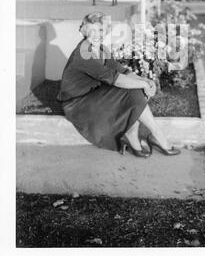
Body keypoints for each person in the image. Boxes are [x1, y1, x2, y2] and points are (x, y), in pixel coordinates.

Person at [57, 12, 181, 158]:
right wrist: (142, 84)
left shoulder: (101, 48)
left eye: (100, 30)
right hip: (78, 103)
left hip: (94, 94)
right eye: (92, 30)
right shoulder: (84, 54)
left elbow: (121, 70)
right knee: (133, 89)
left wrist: (146, 81)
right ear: (84, 31)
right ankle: (156, 135)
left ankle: (135, 135)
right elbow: (114, 78)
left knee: (136, 88)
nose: (97, 34)